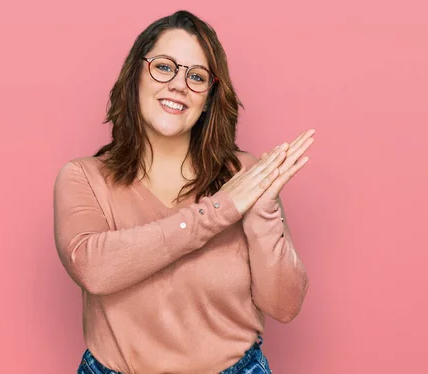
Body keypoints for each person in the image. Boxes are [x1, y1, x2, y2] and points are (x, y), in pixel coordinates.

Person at [53, 9, 314, 374]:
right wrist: (220, 209)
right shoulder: (83, 177)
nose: (179, 84)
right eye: (164, 67)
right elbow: (94, 269)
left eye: (197, 77)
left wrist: (262, 214)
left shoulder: (245, 175)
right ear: (136, 76)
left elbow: (284, 305)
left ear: (208, 98)